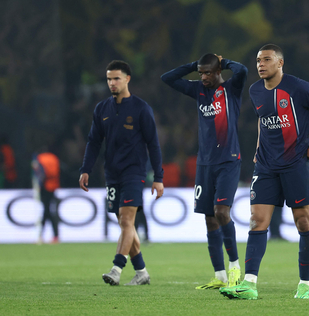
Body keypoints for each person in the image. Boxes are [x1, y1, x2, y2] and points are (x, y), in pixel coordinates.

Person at [220, 43, 309, 300]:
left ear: (280, 63)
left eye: (266, 60)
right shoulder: (255, 91)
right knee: (257, 221)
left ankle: (305, 284)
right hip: (265, 165)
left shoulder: (299, 87)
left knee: (303, 222)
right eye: (257, 61)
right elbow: (263, 122)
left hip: (295, 163)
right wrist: (256, 149)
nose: (260, 65)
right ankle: (249, 284)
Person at [161, 53, 247, 290]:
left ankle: (235, 266)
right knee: (210, 220)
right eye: (201, 73)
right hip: (204, 164)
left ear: (218, 71)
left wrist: (224, 61)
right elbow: (167, 78)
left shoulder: (231, 89)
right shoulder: (198, 90)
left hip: (228, 161)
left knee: (221, 212)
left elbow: (242, 71)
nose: (204, 77)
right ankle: (219, 276)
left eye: (208, 72)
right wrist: (193, 66)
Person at [79, 60, 164, 286]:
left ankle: (117, 268)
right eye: (108, 79)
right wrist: (85, 169)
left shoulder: (140, 108)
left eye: (116, 78)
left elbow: (153, 144)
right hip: (112, 173)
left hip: (134, 172)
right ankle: (142, 272)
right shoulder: (102, 109)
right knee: (125, 223)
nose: (111, 83)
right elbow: (94, 142)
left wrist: (158, 177)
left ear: (127, 79)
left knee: (127, 219)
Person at [32, 150, 60, 244]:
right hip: (53, 186)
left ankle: (42, 236)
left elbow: (40, 173)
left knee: (47, 211)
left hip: (45, 187)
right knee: (48, 210)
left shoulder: (39, 158)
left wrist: (38, 186)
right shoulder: (53, 157)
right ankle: (53, 235)